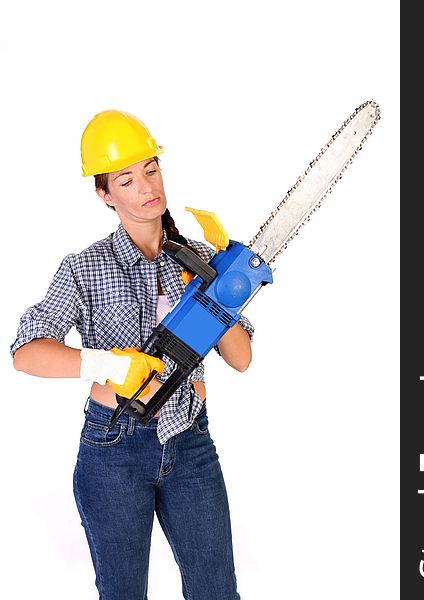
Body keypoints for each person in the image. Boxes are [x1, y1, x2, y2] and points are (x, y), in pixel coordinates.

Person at [11, 109, 254, 600]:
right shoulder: (85, 268)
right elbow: (26, 352)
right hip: (113, 450)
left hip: (190, 442)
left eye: (151, 169)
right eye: (126, 179)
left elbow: (241, 358)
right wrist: (106, 364)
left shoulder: (198, 258)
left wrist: (221, 288)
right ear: (105, 195)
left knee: (217, 591)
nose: (146, 186)